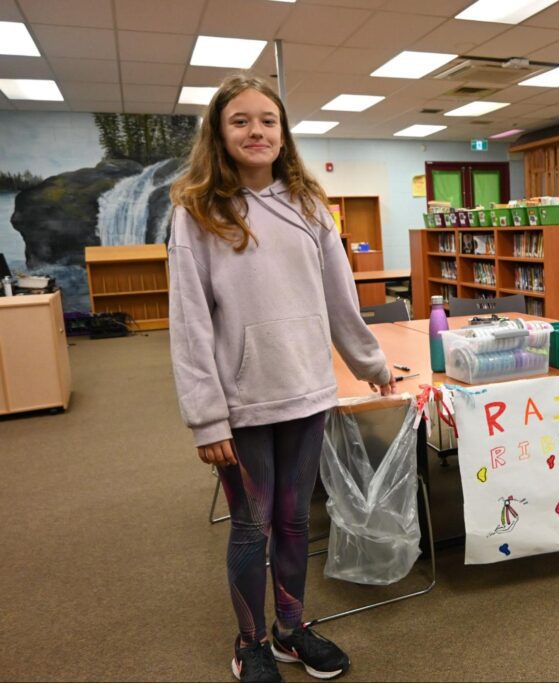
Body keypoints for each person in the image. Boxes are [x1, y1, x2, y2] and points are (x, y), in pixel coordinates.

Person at [168, 74, 396, 682]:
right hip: (240, 405)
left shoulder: (309, 207)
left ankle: (290, 629)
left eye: (267, 120)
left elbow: (340, 299)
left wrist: (369, 363)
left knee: (295, 520)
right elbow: (189, 324)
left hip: (307, 392)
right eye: (240, 120)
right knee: (252, 526)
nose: (256, 131)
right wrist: (206, 416)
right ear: (219, 132)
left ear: (283, 132)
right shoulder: (195, 214)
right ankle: (250, 644)